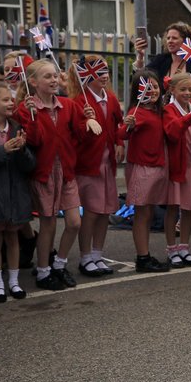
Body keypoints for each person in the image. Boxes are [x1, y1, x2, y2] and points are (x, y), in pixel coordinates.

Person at [15, 60, 92, 291]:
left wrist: (88, 118)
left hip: (66, 171)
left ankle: (59, 264)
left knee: (74, 222)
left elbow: (81, 136)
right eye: (47, 77)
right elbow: (35, 140)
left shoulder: (68, 105)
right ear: (33, 82)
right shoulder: (25, 108)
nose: (53, 80)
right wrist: (33, 115)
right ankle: (43, 271)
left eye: (55, 76)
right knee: (48, 223)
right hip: (44, 172)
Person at [67, 55, 125, 277]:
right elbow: (75, 134)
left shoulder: (110, 98)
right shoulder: (78, 101)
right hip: (88, 165)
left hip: (107, 165)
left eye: (106, 71)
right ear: (86, 75)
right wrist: (86, 121)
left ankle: (97, 254)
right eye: (98, 72)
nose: (104, 76)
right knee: (91, 212)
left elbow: (117, 124)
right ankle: (84, 257)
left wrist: (120, 141)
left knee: (105, 212)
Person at [119, 71, 170, 273]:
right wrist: (128, 127)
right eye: (147, 88)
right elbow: (122, 132)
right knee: (142, 213)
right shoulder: (137, 112)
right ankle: (142, 257)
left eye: (155, 86)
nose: (153, 91)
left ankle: (146, 254)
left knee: (148, 212)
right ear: (138, 91)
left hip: (156, 166)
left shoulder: (158, 111)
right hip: (142, 168)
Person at [0, 83, 34, 302]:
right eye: (5, 100)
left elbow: (29, 165)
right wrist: (2, 151)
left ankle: (14, 282)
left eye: (11, 99)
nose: (11, 103)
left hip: (15, 194)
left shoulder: (16, 127)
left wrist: (23, 149)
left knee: (13, 238)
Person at [163, 73, 191, 268]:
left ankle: (184, 248)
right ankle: (172, 249)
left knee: (189, 209)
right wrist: (190, 117)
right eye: (183, 89)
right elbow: (172, 132)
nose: (188, 93)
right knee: (173, 208)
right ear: (172, 90)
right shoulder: (169, 110)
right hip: (177, 168)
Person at [133, 22, 191, 86]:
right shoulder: (161, 60)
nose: (170, 41)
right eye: (168, 38)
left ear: (186, 41)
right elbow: (141, 77)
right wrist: (140, 57)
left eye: (174, 38)